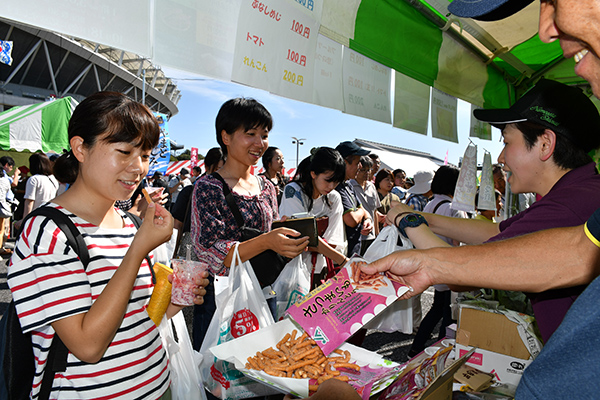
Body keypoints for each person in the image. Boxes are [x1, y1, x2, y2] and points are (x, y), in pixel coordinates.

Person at [354, 2, 600, 398]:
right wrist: (426, 218)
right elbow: (498, 235)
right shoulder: (577, 192)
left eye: (507, 144)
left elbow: (469, 267)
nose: (500, 159)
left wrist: (409, 226)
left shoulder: (569, 206)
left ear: (546, 144)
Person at [6, 91, 208, 399]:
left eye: (145, 155)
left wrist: (174, 303)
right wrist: (138, 250)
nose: (138, 167)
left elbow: (136, 319)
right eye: (124, 151)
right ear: (80, 148)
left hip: (157, 386)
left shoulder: (128, 222)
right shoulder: (48, 231)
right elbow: (87, 345)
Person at [190, 98, 308, 350]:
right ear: (226, 137)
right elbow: (211, 251)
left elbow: (269, 231)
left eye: (264, 135)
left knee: (261, 366)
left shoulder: (267, 187)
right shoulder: (208, 186)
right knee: (220, 378)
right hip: (222, 298)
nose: (260, 143)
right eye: (250, 134)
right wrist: (267, 240)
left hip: (263, 290)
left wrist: (283, 234)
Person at [407, 165, 466, 357]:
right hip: (448, 267)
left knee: (437, 309)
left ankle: (415, 348)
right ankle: (439, 355)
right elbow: (458, 242)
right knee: (448, 316)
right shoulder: (453, 208)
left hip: (432, 264)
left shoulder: (430, 204)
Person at [279, 147, 348, 285]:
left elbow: (333, 240)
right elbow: (302, 236)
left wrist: (317, 243)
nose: (331, 186)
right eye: (328, 180)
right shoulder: (293, 191)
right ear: (313, 173)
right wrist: (343, 261)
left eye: (336, 182)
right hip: (292, 269)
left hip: (321, 269)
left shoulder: (334, 198)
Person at [334, 141, 374, 257]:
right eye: (357, 163)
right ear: (344, 162)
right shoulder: (336, 188)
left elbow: (363, 210)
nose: (360, 167)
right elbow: (351, 220)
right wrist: (361, 211)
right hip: (341, 256)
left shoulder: (348, 185)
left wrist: (367, 220)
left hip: (354, 251)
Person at [349, 155, 380, 254]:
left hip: (371, 235)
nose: (366, 173)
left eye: (369, 169)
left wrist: (377, 234)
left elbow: (374, 212)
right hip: (356, 236)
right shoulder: (349, 186)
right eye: (363, 170)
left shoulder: (372, 186)